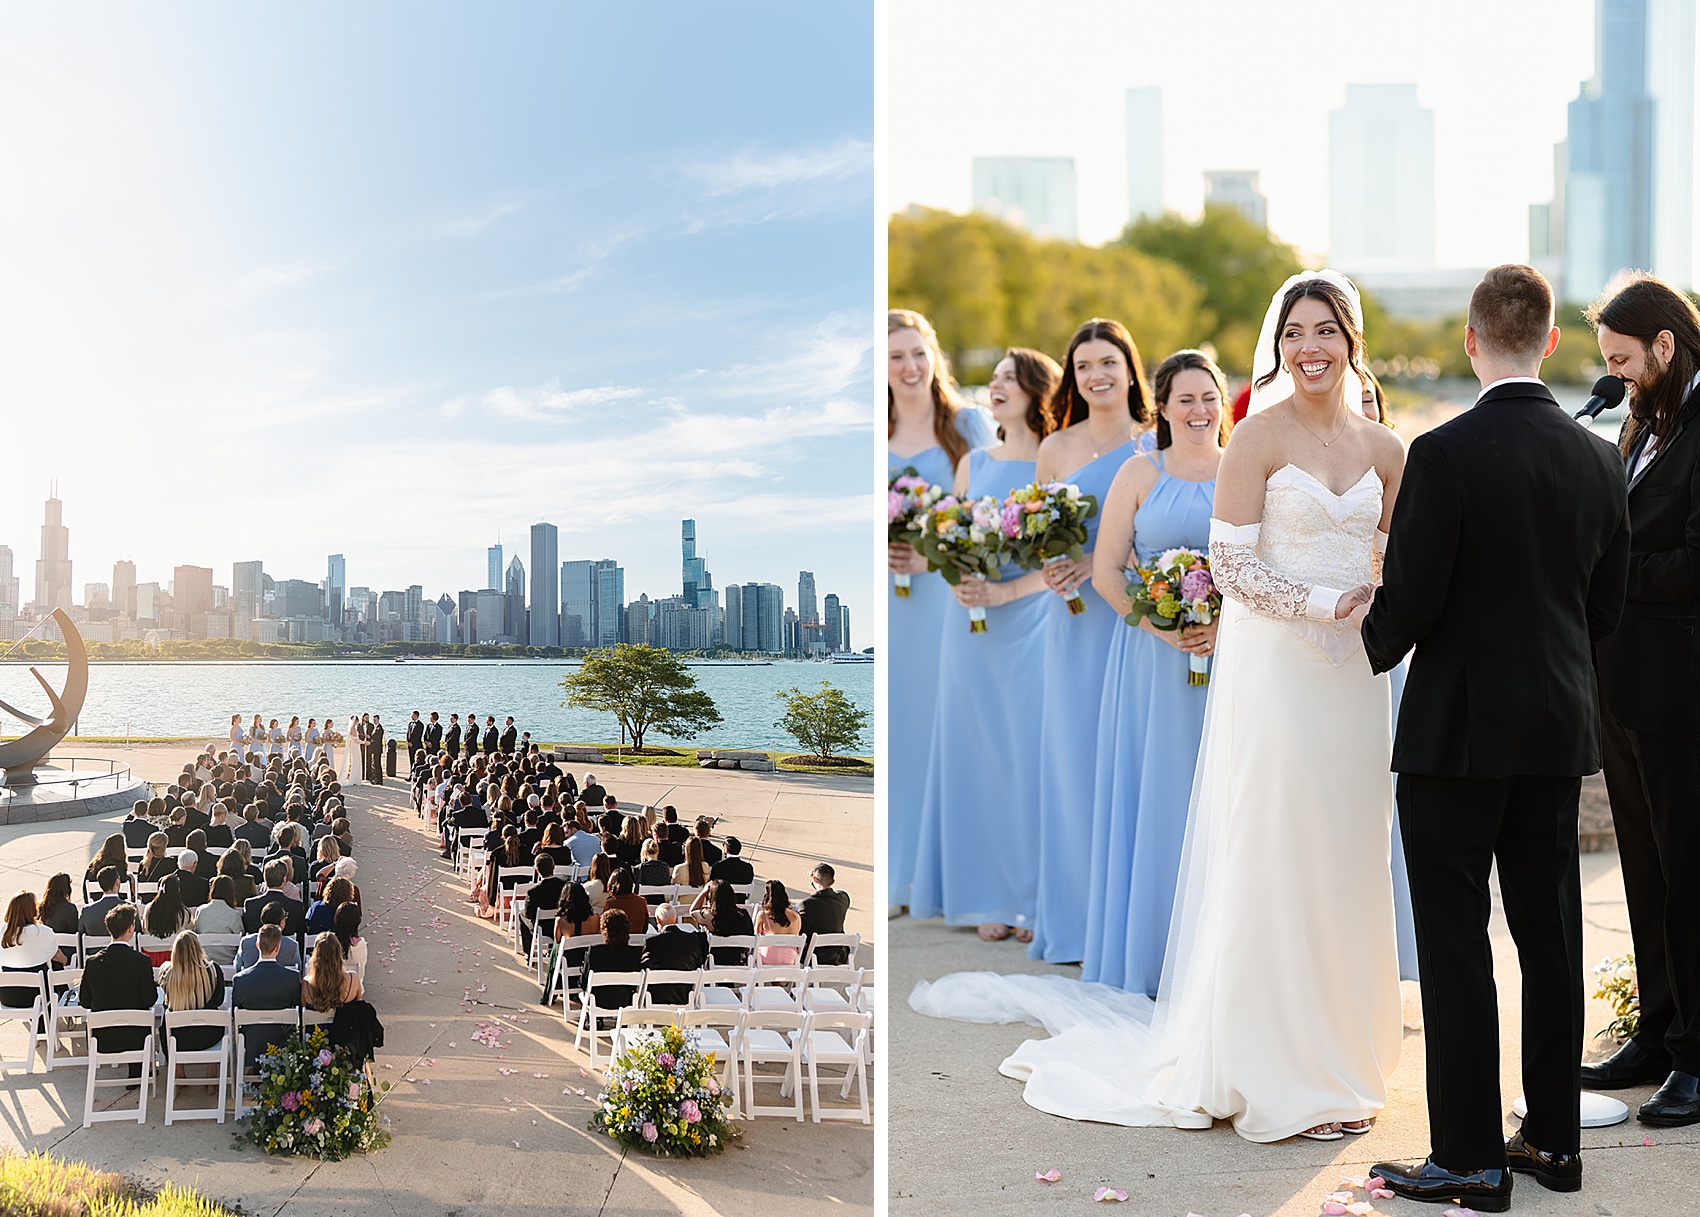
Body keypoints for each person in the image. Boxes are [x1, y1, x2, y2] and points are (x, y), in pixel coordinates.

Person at [914, 272, 1407, 1143]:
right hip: (1280, 673)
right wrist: (1323, 605)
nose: (1311, 347)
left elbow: (1394, 556)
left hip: (1356, 681)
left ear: (1352, 341)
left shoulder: (1388, 449)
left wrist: (1374, 604)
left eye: (1327, 330)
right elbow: (1236, 564)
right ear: (1279, 344)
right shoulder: (1255, 436)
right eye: (1295, 332)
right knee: (1274, 849)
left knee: (1345, 852)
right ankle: (1270, 1060)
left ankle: (1344, 1054)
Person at [1363, 264, 1630, 1206]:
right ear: (1551, 342)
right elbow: (1608, 608)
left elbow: (1414, 601)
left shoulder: (1443, 452)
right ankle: (1554, 1143)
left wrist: (1358, 637)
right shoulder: (1601, 459)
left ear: (1471, 341)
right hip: (1558, 729)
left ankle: (1470, 1155)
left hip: (1456, 736)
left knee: (1454, 937)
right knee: (1550, 935)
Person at [1578, 274, 1700, 1127]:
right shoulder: (1640, 420)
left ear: (1664, 344)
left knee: (1691, 873)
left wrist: (1604, 574)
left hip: (1683, 686)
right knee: (1648, 871)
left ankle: (1698, 1056)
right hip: (1621, 684)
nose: (1614, 375)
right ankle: (1657, 1031)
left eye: (1623, 359)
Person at [1075, 348, 1228, 992]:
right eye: (1184, 399)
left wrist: (1223, 626)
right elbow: (1107, 571)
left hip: (1229, 661)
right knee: (1156, 794)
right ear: (1162, 408)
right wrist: (1162, 628)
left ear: (1223, 403)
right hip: (1148, 659)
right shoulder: (1139, 474)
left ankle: (1215, 959)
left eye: (1208, 398)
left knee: (1218, 798)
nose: (1198, 410)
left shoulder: (1247, 471)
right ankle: (1148, 954)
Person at [909, 346, 1058, 941]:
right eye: (993, 378)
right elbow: (951, 536)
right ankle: (985, 897)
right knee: (976, 754)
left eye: (1009, 378)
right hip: (969, 623)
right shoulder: (973, 461)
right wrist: (961, 574)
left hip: (1033, 619)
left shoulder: (1053, 458)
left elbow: (1059, 551)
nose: (995, 387)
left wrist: (1008, 592)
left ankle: (1033, 898)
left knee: (1028, 754)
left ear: (1034, 391)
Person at [1026, 318, 1147, 964]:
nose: (1096, 375)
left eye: (1108, 362)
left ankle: (1129, 921)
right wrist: (1051, 567)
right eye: (1084, 366)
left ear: (1130, 367)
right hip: (1073, 620)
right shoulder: (1056, 448)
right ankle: (1075, 923)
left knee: (1127, 765)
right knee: (1074, 768)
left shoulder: (1153, 443)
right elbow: (1042, 536)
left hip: (1131, 622)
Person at [889, 308, 998, 915]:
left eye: (917, 353)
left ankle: (943, 876)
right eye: (895, 356)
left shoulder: (968, 424)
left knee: (945, 725)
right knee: (901, 726)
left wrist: (932, 553)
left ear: (934, 356)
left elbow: (988, 512)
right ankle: (899, 874)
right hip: (894, 601)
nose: (909, 367)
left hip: (946, 595)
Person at [80, 905, 159, 1070]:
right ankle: (138, 1071)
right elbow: (150, 999)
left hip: (102, 1038)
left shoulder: (93, 963)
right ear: (130, 929)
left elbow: (85, 1001)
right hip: (136, 1038)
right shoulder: (141, 962)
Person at [233, 925, 302, 1067]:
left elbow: (235, 1013)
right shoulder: (292, 978)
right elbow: (298, 1012)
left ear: (257, 945)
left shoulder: (240, 980)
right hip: (283, 1044)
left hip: (251, 1045)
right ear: (278, 948)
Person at [158, 930, 226, 1053]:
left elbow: (167, 1003)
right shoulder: (213, 970)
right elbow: (218, 1000)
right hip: (209, 1033)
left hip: (176, 1035)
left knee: (165, 1025)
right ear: (198, 949)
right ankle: (212, 1069)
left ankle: (178, 1070)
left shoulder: (166, 973)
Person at [1, 892, 64, 1013]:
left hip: (7, 995)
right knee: (55, 965)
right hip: (36, 995)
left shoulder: (3, 932)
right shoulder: (42, 932)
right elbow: (60, 958)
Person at [640, 904, 708, 1004]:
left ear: (658, 920)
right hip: (686, 995)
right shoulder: (694, 940)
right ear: (676, 920)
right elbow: (699, 963)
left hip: (658, 997)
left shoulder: (653, 943)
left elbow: (645, 968)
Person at [580, 909, 643, 1010]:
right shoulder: (635, 952)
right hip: (626, 1001)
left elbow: (584, 983)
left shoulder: (596, 951)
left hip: (598, 1001)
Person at [800, 863, 852, 964]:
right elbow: (837, 893)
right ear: (833, 881)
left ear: (814, 880)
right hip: (838, 955)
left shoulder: (806, 904)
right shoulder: (844, 899)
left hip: (814, 956)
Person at [699, 879, 755, 967]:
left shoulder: (710, 918)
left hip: (715, 962)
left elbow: (692, 911)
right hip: (738, 961)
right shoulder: (743, 915)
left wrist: (703, 893)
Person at [302, 932, 362, 1012]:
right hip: (346, 1024)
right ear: (338, 954)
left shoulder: (306, 985)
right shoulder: (353, 979)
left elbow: (304, 1014)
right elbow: (359, 1008)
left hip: (317, 1024)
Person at [518, 854, 565, 957]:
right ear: (553, 867)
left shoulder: (533, 892)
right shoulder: (564, 886)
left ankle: (528, 951)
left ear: (537, 870)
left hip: (542, 927)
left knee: (521, 914)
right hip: (560, 924)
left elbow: (529, 914)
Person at [235, 901, 302, 971]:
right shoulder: (292, 946)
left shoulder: (245, 942)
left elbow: (238, 967)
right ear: (282, 923)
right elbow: (298, 970)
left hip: (251, 981)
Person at [193, 877, 246, 966]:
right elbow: (240, 937)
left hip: (205, 960)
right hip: (228, 960)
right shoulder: (234, 914)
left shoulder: (201, 911)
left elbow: (196, 932)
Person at [753, 879, 802, 965]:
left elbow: (756, 940)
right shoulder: (796, 916)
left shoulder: (763, 915)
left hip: (767, 959)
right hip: (790, 960)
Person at [142, 883, 191, 963]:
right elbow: (190, 930)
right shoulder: (183, 912)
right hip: (174, 955)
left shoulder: (149, 908)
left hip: (150, 954)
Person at [602, 867, 649, 935]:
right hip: (638, 942)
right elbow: (645, 926)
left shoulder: (610, 903)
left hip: (617, 942)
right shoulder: (641, 901)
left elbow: (604, 927)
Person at [79, 868, 125, 937]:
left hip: (95, 947)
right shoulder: (131, 909)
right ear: (117, 882)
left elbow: (80, 935)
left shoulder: (87, 911)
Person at [334, 903, 367, 981]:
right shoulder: (361, 944)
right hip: (354, 990)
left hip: (332, 989)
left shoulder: (329, 943)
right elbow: (361, 973)